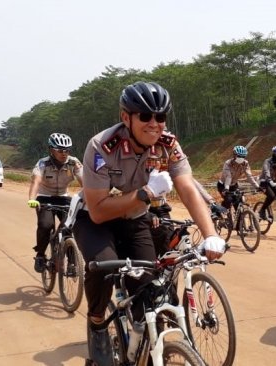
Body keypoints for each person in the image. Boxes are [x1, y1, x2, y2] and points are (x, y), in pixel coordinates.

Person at [72, 81, 226, 366]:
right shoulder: (102, 146)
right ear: (125, 117)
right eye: (145, 116)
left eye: (160, 117)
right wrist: (144, 193)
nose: (154, 124)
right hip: (96, 220)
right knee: (103, 266)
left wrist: (210, 234)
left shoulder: (168, 145)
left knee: (150, 283)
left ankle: (145, 337)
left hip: (133, 219)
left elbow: (187, 188)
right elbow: (98, 211)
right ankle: (96, 324)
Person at [27, 133, 83, 273]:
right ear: (51, 150)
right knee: (46, 225)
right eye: (60, 150)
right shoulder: (43, 163)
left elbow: (85, 182)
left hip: (64, 197)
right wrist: (32, 199)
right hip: (45, 197)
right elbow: (36, 182)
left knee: (69, 227)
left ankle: (71, 262)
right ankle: (40, 255)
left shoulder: (73, 162)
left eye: (67, 150)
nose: (64, 153)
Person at [217, 145, 260, 210]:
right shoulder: (228, 163)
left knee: (238, 202)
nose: (241, 158)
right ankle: (221, 211)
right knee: (229, 200)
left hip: (234, 184)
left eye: (243, 156)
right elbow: (228, 177)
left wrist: (257, 187)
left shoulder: (245, 164)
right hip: (223, 185)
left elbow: (249, 176)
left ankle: (239, 219)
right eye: (239, 156)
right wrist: (226, 189)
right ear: (234, 155)